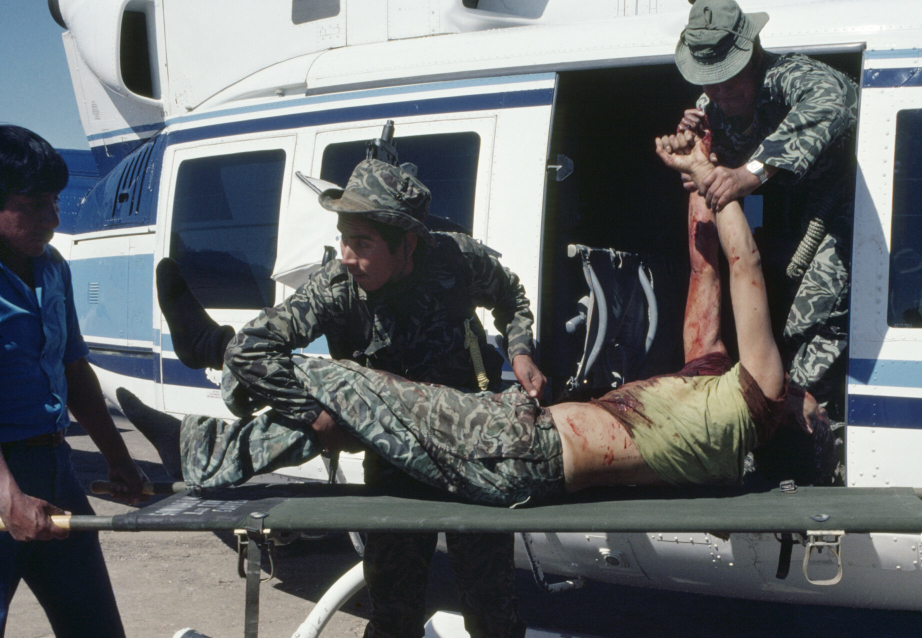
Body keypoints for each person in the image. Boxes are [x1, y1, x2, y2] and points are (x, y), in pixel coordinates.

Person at [123, 157, 547, 638]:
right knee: (392, 619)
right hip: (390, 464)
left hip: (468, 452)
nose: (346, 256)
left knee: (493, 616)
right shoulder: (336, 288)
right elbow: (259, 350)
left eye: (362, 242)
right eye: (342, 238)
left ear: (408, 242)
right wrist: (316, 415)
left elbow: (514, 296)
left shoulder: (454, 261)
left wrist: (520, 349)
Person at [125, 141, 827, 515]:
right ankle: (201, 448)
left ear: (791, 418)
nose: (823, 402)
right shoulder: (716, 379)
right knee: (353, 402)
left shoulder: (758, 402)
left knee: (347, 383)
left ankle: (218, 350)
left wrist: (717, 173)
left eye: (823, 412)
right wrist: (696, 160)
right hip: (510, 431)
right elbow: (711, 269)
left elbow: (747, 264)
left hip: (517, 452)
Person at [0, 126, 174, 638]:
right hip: (4, 475)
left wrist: (121, 460)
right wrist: (9, 496)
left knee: (94, 630)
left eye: (55, 201)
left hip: (55, 465)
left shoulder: (53, 269)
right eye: (34, 203)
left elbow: (75, 371)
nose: (51, 216)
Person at [666, 0, 858, 415]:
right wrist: (701, 158)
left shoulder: (787, 75)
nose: (719, 92)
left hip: (842, 219)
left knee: (812, 321)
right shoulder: (712, 107)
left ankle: (812, 434)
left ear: (752, 56)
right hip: (787, 233)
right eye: (710, 83)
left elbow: (834, 100)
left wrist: (748, 173)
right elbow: (714, 175)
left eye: (728, 81)